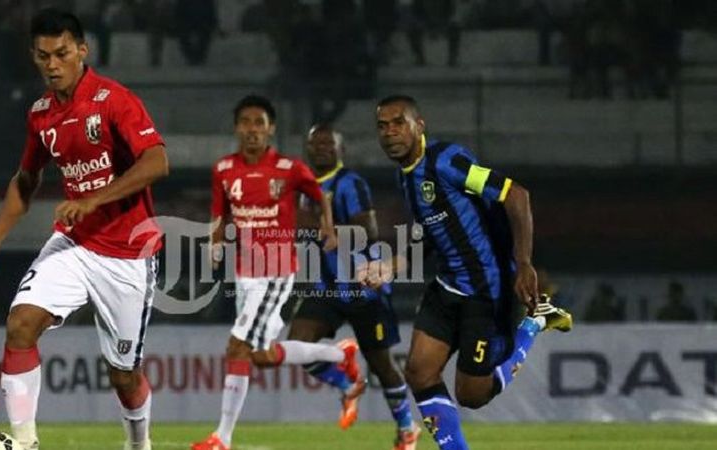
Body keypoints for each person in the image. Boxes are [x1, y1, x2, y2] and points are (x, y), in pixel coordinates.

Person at [0, 9, 168, 450]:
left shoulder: (114, 100)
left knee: (123, 375)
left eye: (61, 53)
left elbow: (158, 161)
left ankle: (139, 444)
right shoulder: (40, 114)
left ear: (82, 50)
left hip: (128, 254)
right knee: (20, 325)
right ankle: (25, 444)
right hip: (74, 244)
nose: (52, 64)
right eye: (42, 56)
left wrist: (94, 199)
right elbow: (25, 181)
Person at [365, 95, 573, 449]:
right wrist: (392, 266)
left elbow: (515, 195)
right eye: (382, 126)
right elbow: (431, 234)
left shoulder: (447, 161)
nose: (389, 133)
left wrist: (523, 263)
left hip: (486, 291)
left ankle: (534, 322)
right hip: (447, 287)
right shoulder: (406, 177)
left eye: (398, 123)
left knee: (472, 394)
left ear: (419, 125)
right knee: (418, 372)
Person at [191, 96, 356, 450]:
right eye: (246, 122)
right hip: (245, 272)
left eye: (259, 122)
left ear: (271, 128)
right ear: (237, 127)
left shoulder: (289, 168)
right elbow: (220, 211)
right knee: (260, 357)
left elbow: (319, 195)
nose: (252, 129)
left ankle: (222, 437)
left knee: (237, 347)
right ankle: (340, 355)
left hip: (275, 269)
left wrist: (328, 229)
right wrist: (216, 242)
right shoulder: (223, 169)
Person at [291, 123, 420, 450]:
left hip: (364, 287)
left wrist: (327, 225)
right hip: (326, 288)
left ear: (340, 150)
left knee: (382, 365)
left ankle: (407, 428)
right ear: (307, 150)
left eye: (328, 143)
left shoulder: (351, 183)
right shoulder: (301, 189)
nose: (321, 148)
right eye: (315, 143)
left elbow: (370, 230)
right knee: (296, 346)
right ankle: (346, 380)